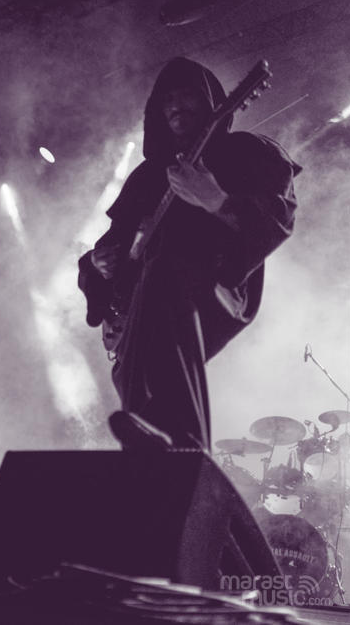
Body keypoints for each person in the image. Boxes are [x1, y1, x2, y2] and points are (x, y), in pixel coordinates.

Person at [78, 57, 299, 450]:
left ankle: (186, 441)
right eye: (167, 100)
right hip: (142, 301)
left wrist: (217, 201)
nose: (176, 106)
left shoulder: (246, 151)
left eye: (186, 96)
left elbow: (278, 218)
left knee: (166, 273)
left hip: (214, 282)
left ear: (212, 101)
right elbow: (113, 245)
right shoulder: (146, 177)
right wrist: (98, 263)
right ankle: (153, 449)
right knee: (138, 383)